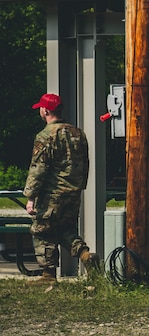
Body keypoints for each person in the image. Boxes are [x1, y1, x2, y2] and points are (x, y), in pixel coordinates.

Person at [22, 93, 92, 288]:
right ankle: (86, 256)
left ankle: (48, 274)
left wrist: (31, 196)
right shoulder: (78, 133)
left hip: (52, 193)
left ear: (44, 110)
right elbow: (84, 164)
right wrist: (78, 186)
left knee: (42, 230)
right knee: (66, 229)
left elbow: (39, 168)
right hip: (73, 192)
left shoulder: (45, 136)